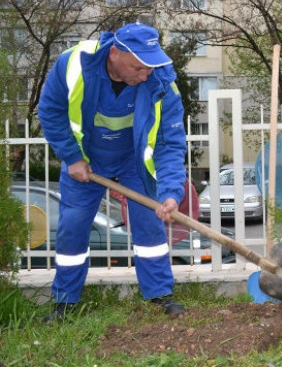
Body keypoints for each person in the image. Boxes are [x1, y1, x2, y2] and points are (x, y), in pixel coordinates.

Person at [38, 22, 188, 323]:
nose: (146, 74)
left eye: (150, 67)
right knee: (73, 226)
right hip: (86, 160)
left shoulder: (161, 82)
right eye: (139, 67)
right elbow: (50, 111)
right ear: (116, 52)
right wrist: (72, 156)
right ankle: (64, 303)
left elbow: (170, 145)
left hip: (134, 163)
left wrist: (170, 193)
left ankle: (159, 294)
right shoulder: (73, 64)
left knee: (149, 224)